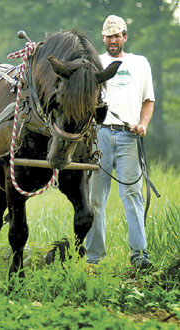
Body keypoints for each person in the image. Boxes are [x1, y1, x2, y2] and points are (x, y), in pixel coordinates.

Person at [85, 15, 155, 269]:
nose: (112, 40)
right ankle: (94, 259)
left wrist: (144, 124)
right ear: (102, 38)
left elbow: (149, 100)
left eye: (117, 36)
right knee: (95, 198)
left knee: (133, 194)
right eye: (108, 36)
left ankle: (139, 256)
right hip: (99, 134)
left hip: (129, 135)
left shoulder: (140, 63)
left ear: (125, 37)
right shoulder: (96, 64)